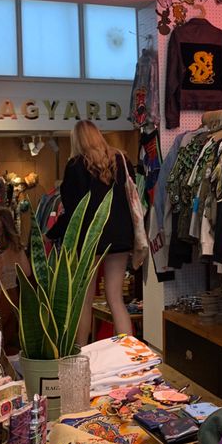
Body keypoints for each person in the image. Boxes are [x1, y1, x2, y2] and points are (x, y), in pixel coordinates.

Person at [47, 120, 134, 345]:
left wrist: (51, 233)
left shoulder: (76, 166)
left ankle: (82, 351)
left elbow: (72, 211)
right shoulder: (122, 160)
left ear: (77, 140)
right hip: (122, 236)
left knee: (84, 299)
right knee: (115, 298)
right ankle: (130, 354)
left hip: (90, 238)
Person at [0, 207, 32, 355]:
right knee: (9, 337)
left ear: (3, 223)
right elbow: (27, 272)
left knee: (0, 340)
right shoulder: (17, 246)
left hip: (1, 296)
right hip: (14, 294)